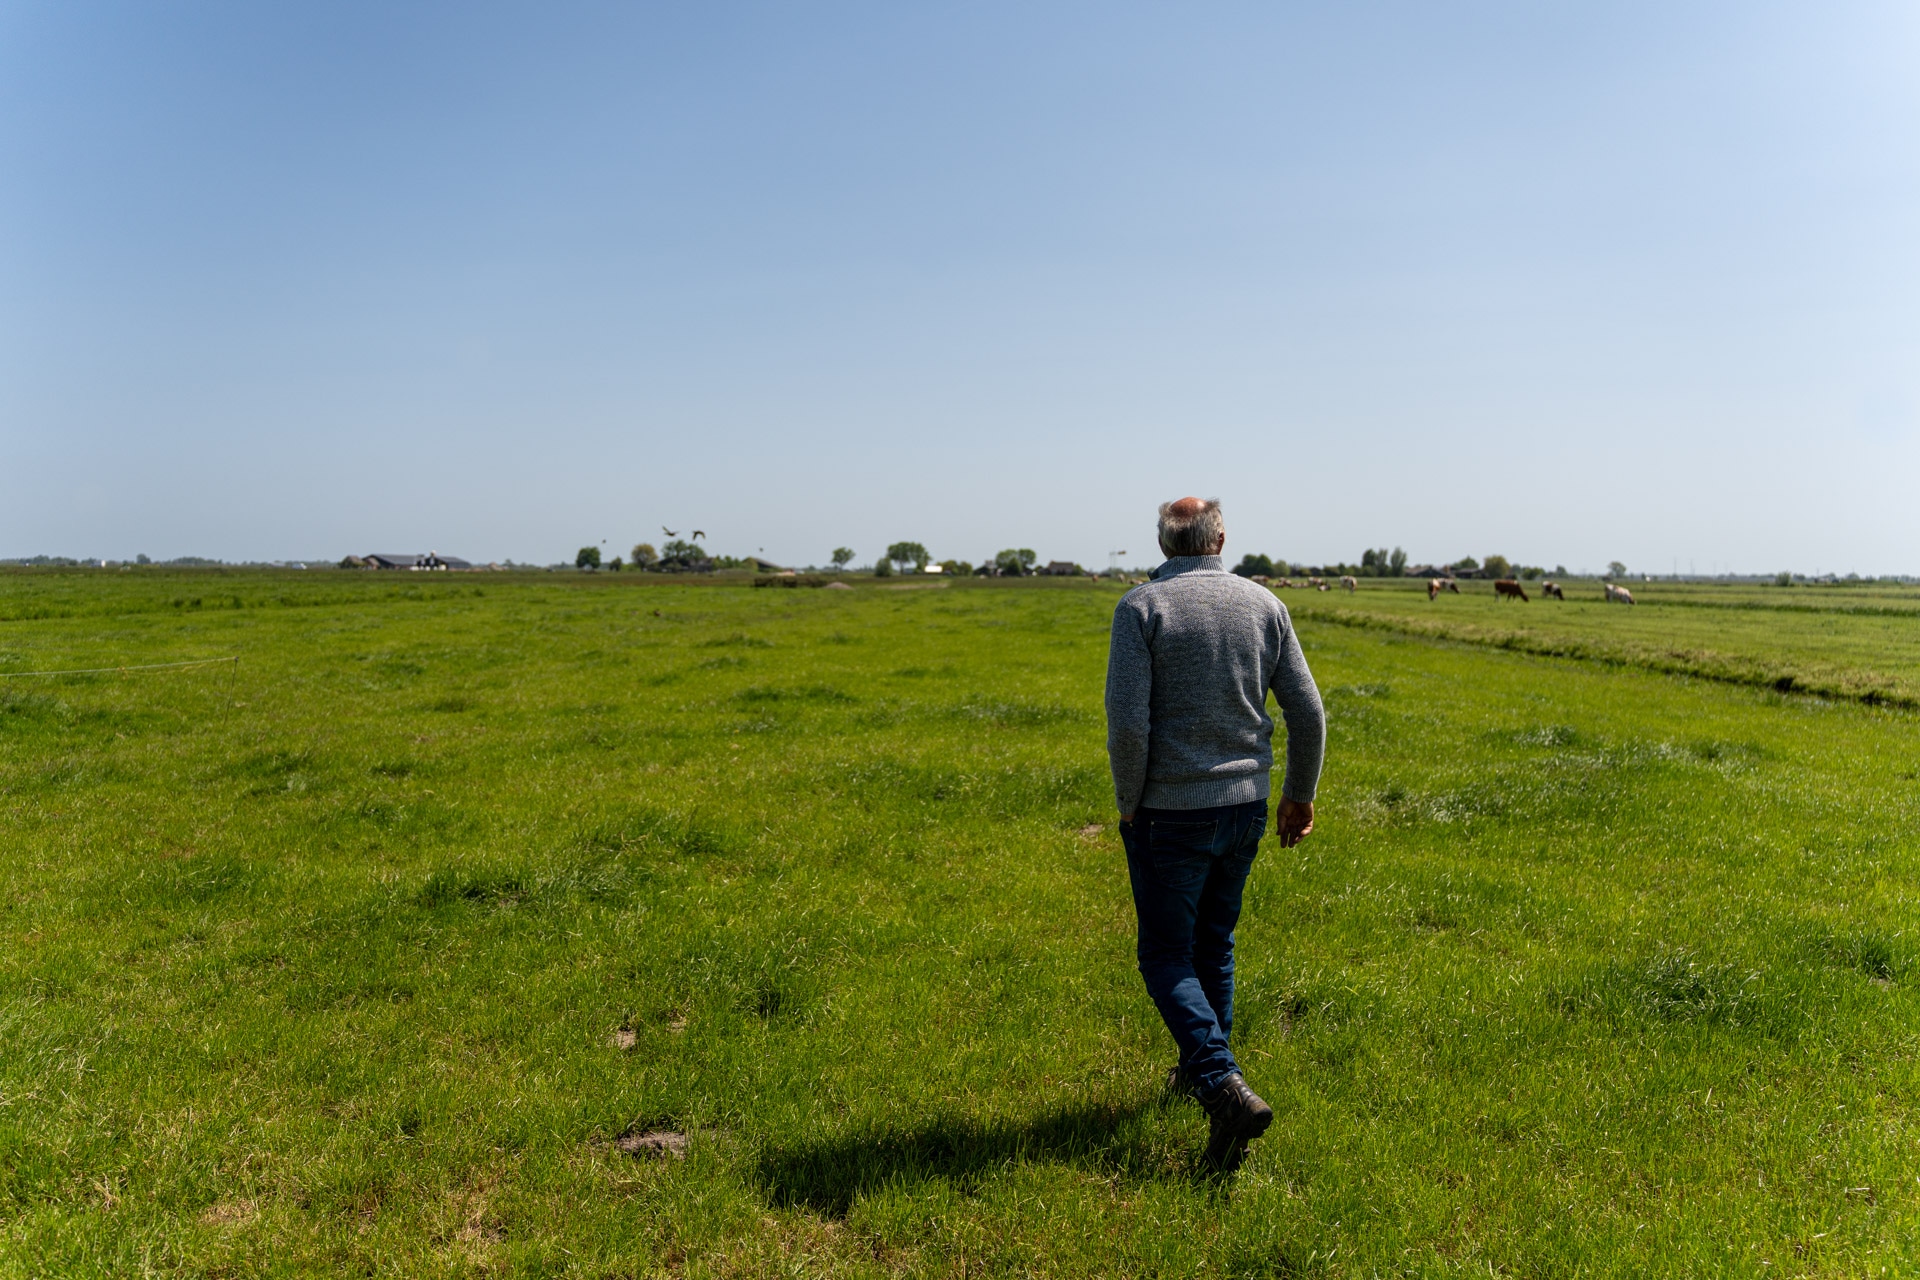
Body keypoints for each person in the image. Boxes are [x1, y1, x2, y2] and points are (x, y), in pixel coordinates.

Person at [1105, 496, 1326, 1171]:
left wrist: (1129, 802)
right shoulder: (1264, 605)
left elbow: (1128, 724)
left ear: (1164, 542)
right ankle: (1204, 1073)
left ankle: (1219, 1083)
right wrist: (1298, 797)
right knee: (1215, 943)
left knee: (1166, 955)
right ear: (1220, 537)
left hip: (1170, 811)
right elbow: (1308, 712)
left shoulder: (1141, 607)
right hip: (1246, 806)